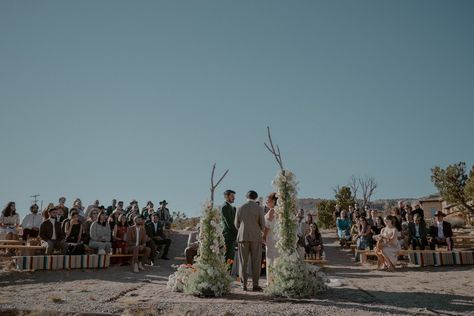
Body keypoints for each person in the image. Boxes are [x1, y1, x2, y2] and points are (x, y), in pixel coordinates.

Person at [234, 190, 265, 292]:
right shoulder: (259, 208)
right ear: (256, 197)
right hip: (256, 237)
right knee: (256, 262)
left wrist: (243, 229)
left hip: (243, 236)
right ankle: (255, 285)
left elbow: (236, 224)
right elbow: (262, 224)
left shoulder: (239, 207)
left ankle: (244, 285)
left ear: (246, 196)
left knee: (243, 262)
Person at [262, 192, 278, 285]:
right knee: (275, 258)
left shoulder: (272, 211)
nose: (266, 202)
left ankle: (271, 281)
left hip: (271, 237)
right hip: (275, 237)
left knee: (270, 258)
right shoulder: (278, 210)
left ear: (273, 201)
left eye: (268, 200)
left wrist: (263, 236)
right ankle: (275, 280)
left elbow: (268, 225)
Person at [221, 189, 238, 266]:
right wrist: (238, 233)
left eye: (234, 196)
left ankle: (228, 275)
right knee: (228, 256)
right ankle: (226, 275)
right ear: (226, 196)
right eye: (232, 196)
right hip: (228, 235)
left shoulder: (231, 207)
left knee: (231, 257)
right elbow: (229, 223)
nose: (233, 198)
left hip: (232, 235)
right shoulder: (225, 207)